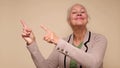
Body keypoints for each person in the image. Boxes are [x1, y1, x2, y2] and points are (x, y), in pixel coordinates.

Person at [20, 4, 107, 68]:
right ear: (69, 20)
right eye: (74, 12)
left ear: (87, 18)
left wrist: (58, 41)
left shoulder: (99, 39)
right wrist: (32, 43)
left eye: (82, 12)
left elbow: (94, 64)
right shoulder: (62, 42)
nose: (79, 14)